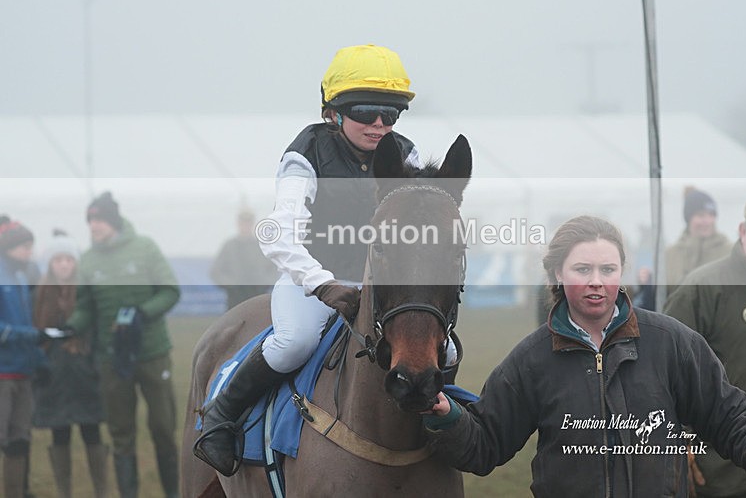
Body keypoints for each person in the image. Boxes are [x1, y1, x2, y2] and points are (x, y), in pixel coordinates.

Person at [194, 44, 459, 476]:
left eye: (389, 115)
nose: (379, 125)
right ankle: (220, 420)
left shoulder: (404, 154)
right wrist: (323, 283)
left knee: (442, 351)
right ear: (332, 111)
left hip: (381, 285)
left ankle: (447, 427)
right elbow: (280, 236)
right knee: (294, 340)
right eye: (366, 111)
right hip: (311, 281)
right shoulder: (306, 154)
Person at [422, 215, 746, 497]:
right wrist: (448, 417)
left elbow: (728, 414)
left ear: (623, 271)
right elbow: (486, 443)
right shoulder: (531, 359)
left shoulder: (671, 342)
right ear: (556, 272)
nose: (596, 281)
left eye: (608, 269)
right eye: (582, 269)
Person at [664, 192, 746, 498]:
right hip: (717, 476)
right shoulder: (703, 289)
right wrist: (677, 443)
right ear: (742, 231)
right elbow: (660, 372)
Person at [65, 192, 181, 498]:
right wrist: (71, 326)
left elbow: (170, 291)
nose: (93, 226)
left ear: (112, 221)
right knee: (121, 434)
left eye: (99, 219)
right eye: (89, 220)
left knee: (163, 429)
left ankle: (173, 492)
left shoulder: (145, 248)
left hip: (152, 353)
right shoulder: (88, 260)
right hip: (112, 358)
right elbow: (85, 307)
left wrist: (143, 313)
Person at [33, 230, 108, 498]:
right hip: (53, 377)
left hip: (85, 374)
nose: (64, 264)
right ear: (50, 264)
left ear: (76, 262)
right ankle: (64, 491)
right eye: (57, 259)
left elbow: (100, 334)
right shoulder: (40, 292)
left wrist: (96, 366)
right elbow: (35, 333)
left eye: (68, 259)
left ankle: (102, 490)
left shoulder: (87, 291)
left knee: (92, 432)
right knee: (59, 435)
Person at [0, 217, 51, 498]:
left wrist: (40, 361)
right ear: (10, 247)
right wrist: (29, 336)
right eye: (25, 246)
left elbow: (27, 323)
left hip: (23, 372)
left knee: (19, 441)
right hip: (2, 373)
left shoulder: (20, 277)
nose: (30, 252)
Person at [665, 187, 731, 296]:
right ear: (688, 218)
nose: (707, 221)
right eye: (701, 215)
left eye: (711, 215)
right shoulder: (670, 255)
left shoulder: (729, 252)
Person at [209, 208, 279, 310]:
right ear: (238, 224)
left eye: (248, 223)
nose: (245, 226)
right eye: (243, 223)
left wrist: (264, 283)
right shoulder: (229, 246)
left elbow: (274, 268)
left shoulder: (262, 246)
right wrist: (231, 285)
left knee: (258, 323)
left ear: (253, 224)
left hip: (257, 296)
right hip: (235, 299)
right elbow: (215, 272)